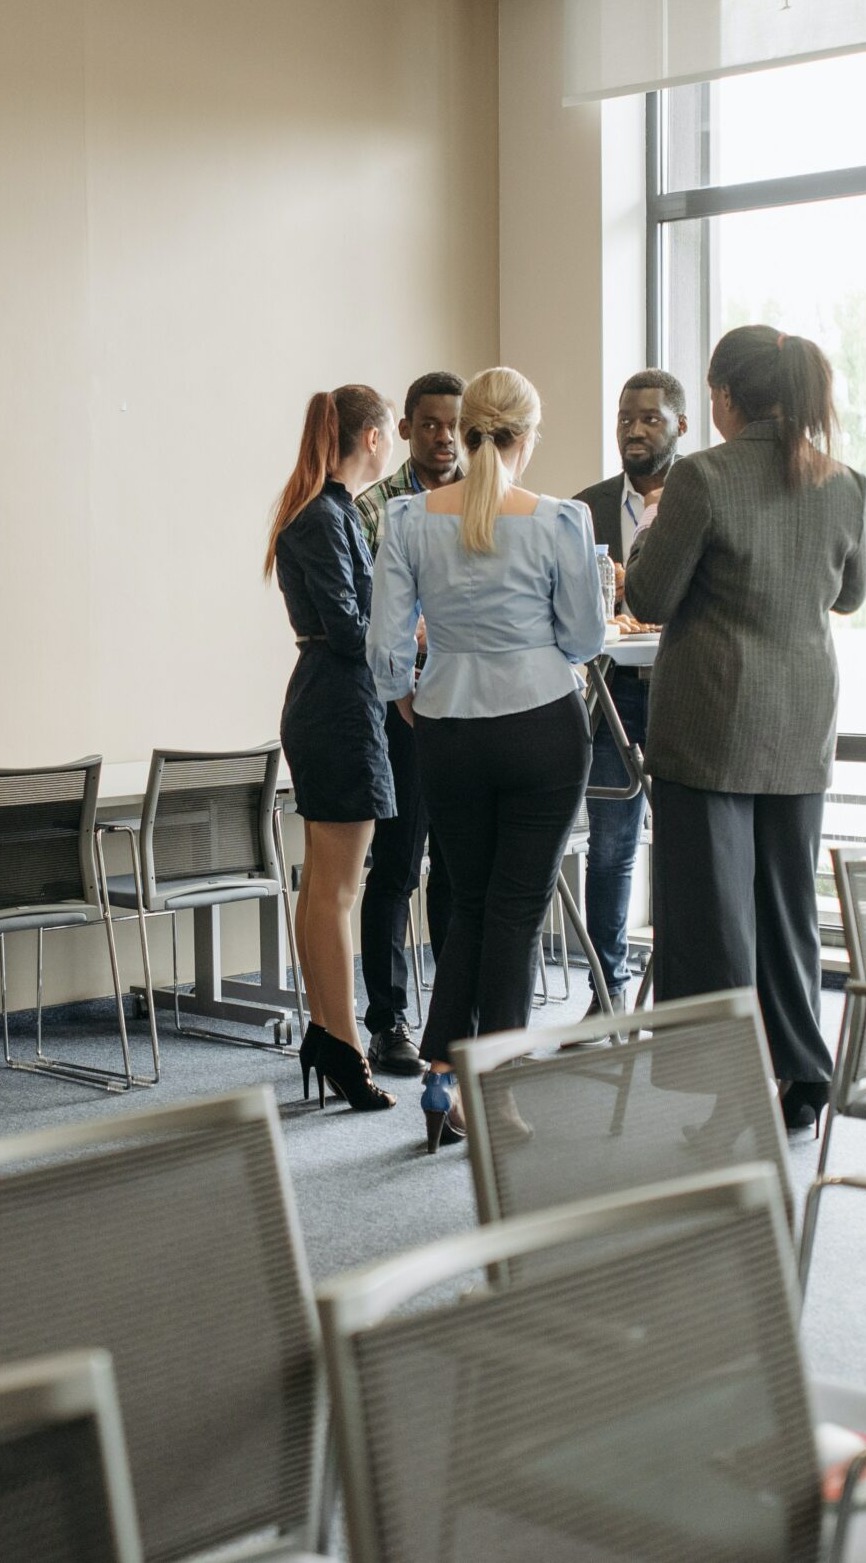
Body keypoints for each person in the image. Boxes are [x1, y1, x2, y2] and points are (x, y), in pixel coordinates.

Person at [624, 326, 866, 1138]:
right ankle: (802, 1075)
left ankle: (735, 1093)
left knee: (714, 920)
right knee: (788, 908)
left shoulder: (703, 476)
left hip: (710, 727)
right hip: (801, 725)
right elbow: (852, 594)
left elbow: (652, 598)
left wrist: (652, 539)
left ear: (725, 397)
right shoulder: (844, 482)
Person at [369, 367, 600, 1152]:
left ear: (465, 431)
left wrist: (408, 692)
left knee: (467, 903)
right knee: (514, 911)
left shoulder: (407, 518)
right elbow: (586, 638)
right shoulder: (558, 522)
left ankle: (440, 1075)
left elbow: (385, 646)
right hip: (541, 725)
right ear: (526, 436)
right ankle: (496, 1090)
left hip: (449, 730)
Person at [265, 385, 399, 1115]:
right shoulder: (326, 515)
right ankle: (345, 1043)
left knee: (323, 884)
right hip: (338, 703)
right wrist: (404, 633)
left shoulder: (324, 509)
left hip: (330, 699)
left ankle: (327, 1032)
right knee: (336, 889)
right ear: (373, 438)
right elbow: (351, 629)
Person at [571, 368, 694, 1007]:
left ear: (681, 425)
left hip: (683, 695)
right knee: (611, 846)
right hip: (609, 696)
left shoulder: (701, 500)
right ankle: (606, 986)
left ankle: (680, 989)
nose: (635, 430)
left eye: (650, 418)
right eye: (626, 419)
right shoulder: (583, 508)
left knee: (685, 845)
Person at [351, 371, 461, 1075]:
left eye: (453, 424)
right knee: (396, 868)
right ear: (406, 430)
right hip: (400, 708)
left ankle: (454, 1016)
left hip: (468, 707)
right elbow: (373, 619)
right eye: (429, 424)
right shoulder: (374, 509)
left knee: (455, 871)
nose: (443, 436)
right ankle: (388, 1021)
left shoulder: (483, 501)